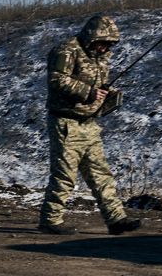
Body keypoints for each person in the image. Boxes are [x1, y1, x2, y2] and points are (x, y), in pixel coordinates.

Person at [38, 14, 142, 236]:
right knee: (64, 175)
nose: (105, 48)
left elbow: (97, 83)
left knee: (100, 174)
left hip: (90, 124)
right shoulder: (66, 50)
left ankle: (116, 219)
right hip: (66, 123)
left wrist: (107, 94)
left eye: (109, 45)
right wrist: (89, 92)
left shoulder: (100, 57)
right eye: (103, 43)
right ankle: (50, 219)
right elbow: (57, 80)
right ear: (92, 37)